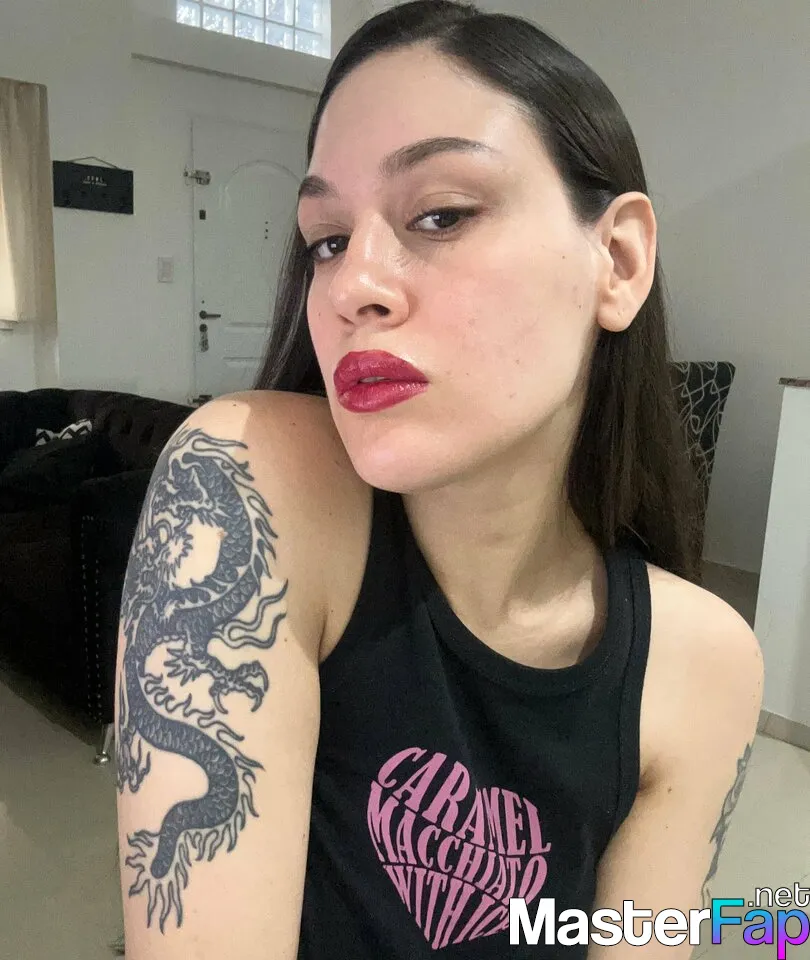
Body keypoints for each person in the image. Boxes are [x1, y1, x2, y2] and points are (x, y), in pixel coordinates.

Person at [114, 2, 763, 957]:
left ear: (618, 262)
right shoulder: (250, 486)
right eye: (327, 239)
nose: (351, 285)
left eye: (441, 214)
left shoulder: (703, 664)